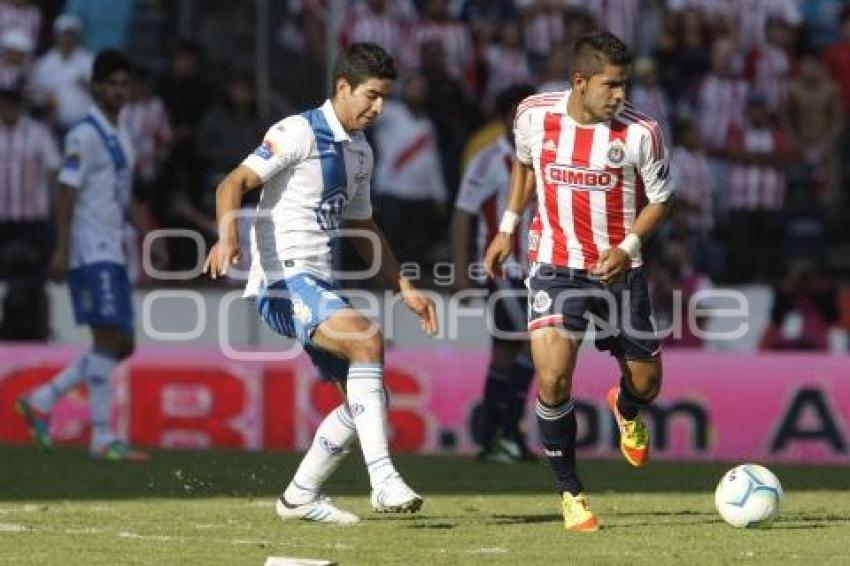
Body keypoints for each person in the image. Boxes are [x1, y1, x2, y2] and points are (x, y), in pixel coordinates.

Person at [203, 42, 438, 524]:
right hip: (284, 283)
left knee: (362, 402)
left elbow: (362, 227)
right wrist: (227, 234)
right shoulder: (297, 131)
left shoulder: (361, 152)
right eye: (371, 95)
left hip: (318, 285)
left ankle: (298, 497)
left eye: (385, 98)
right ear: (343, 87)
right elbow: (232, 184)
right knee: (367, 340)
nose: (379, 107)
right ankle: (384, 480)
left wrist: (406, 288)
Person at [484, 31, 676, 532]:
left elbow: (660, 198)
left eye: (625, 86)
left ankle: (627, 408)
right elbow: (525, 166)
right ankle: (571, 492)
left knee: (647, 383)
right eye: (611, 86)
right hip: (553, 260)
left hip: (619, 268)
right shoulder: (532, 114)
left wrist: (629, 247)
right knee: (551, 377)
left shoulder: (641, 133)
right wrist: (507, 227)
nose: (620, 96)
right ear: (580, 81)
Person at [15, 49, 161, 460]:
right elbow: (67, 191)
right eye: (111, 83)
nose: (118, 90)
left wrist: (149, 232)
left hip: (113, 248)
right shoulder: (84, 134)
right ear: (96, 87)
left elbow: (123, 194)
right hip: (88, 249)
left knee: (124, 343)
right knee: (108, 337)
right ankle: (101, 439)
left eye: (123, 83)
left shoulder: (121, 136)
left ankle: (41, 400)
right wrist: (61, 248)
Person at [451, 83, 537, 463]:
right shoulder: (487, 161)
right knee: (532, 348)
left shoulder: (543, 159)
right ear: (505, 118)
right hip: (505, 271)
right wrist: (460, 270)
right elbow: (462, 213)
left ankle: (496, 438)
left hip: (538, 270)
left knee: (508, 355)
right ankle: (504, 435)